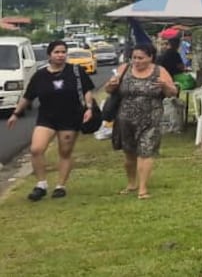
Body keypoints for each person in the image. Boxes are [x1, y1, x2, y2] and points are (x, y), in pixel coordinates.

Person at [5, 40, 95, 200]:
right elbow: (28, 97)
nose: (60, 55)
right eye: (57, 52)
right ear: (49, 55)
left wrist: (89, 108)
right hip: (47, 117)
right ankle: (41, 184)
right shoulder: (40, 75)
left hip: (70, 117)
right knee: (36, 149)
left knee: (65, 152)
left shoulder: (75, 71)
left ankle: (61, 186)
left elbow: (87, 91)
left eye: (63, 52)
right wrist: (16, 114)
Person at [105, 43, 178, 199]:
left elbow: (172, 92)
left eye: (140, 58)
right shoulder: (124, 69)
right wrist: (111, 85)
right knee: (129, 154)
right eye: (134, 58)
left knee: (146, 151)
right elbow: (109, 89)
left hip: (151, 118)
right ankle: (132, 183)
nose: (136, 61)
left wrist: (165, 86)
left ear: (151, 57)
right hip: (125, 119)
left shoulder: (160, 71)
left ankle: (143, 189)